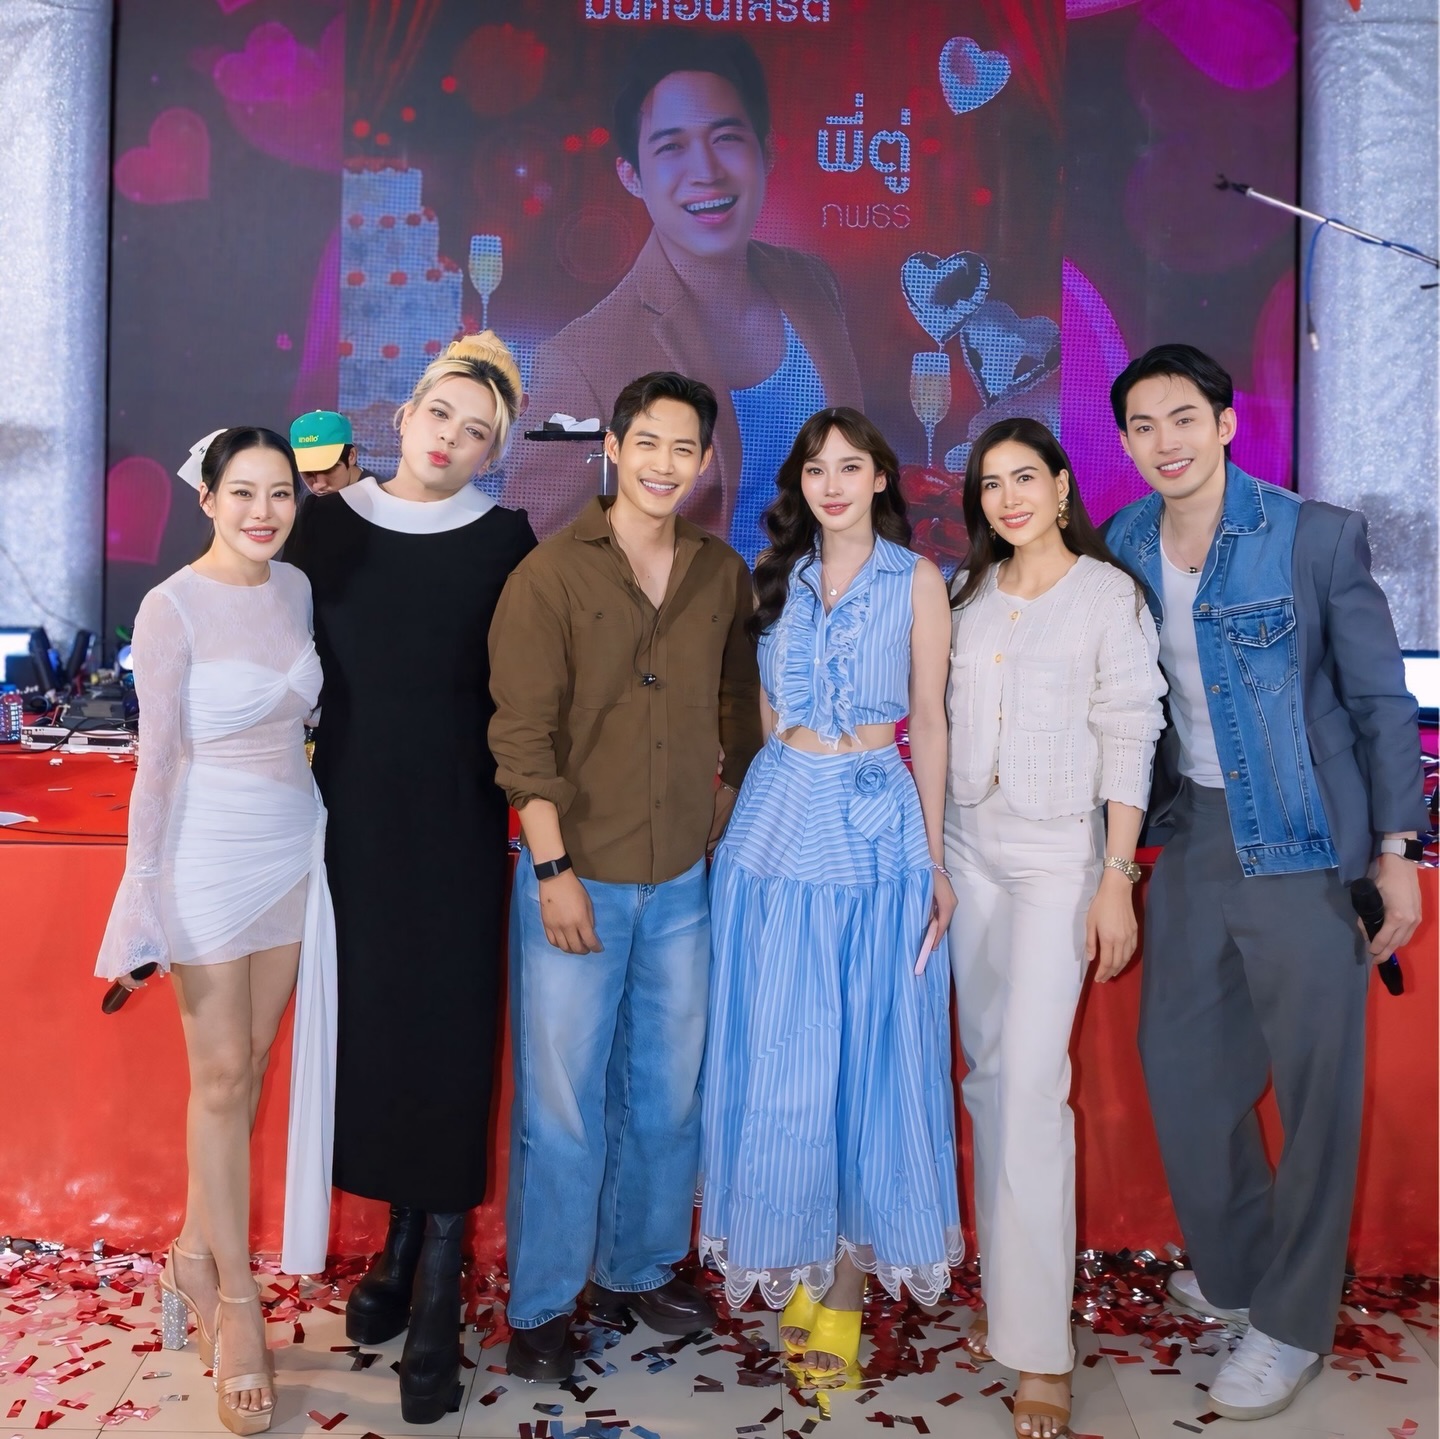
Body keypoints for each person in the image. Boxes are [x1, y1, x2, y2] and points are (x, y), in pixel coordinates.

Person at [1106, 344, 1425, 1422]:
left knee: (1316, 1088)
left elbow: (1380, 701)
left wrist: (1396, 852)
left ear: (1226, 422)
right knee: (1182, 1068)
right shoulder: (1124, 541)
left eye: (1184, 417)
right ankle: (1241, 1268)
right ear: (1125, 442)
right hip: (1195, 832)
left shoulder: (1312, 535)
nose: (1166, 441)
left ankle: (1291, 1321)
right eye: (1143, 424)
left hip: (1305, 840)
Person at [488, 371, 762, 1383]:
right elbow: (521, 738)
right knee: (561, 1110)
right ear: (612, 446)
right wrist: (552, 865)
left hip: (681, 879)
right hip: (578, 872)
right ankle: (542, 1305)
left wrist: (718, 809)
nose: (664, 464)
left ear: (705, 461)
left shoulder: (719, 572)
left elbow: (739, 704)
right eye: (647, 442)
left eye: (684, 448)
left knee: (667, 1096)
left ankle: (636, 1268)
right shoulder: (549, 575)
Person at [283, 334, 536, 1424]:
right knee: (376, 1037)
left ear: (493, 451)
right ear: (402, 414)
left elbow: (524, 690)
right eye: (440, 414)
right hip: (347, 827)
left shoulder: (507, 541)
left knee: (450, 1040)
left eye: (476, 431)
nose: (450, 439)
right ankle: (395, 1243)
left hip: (458, 828)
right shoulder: (324, 526)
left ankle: (439, 1283)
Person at [698, 406, 960, 1389]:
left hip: (876, 827)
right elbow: (766, 712)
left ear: (882, 477)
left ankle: (844, 1284)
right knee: (782, 1054)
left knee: (868, 1058)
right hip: (775, 825)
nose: (833, 484)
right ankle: (797, 1254)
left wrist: (935, 857)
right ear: (800, 485)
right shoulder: (777, 576)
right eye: (817, 469)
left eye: (852, 466)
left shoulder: (915, 579)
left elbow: (930, 718)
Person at [96, 427, 337, 1437]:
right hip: (205, 849)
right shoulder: (171, 605)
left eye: (280, 492)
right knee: (223, 1075)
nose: (263, 511)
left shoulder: (297, 589)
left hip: (291, 842)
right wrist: (142, 890)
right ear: (207, 497)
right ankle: (237, 1304)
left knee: (255, 1063)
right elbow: (156, 760)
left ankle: (192, 1255)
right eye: (243, 491)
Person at [943, 418, 1165, 1438]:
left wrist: (1116, 877)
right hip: (965, 852)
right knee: (988, 1077)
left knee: (1031, 1084)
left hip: (1054, 860)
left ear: (1064, 486)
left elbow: (1131, 733)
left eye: (1026, 476)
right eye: (992, 483)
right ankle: (1009, 1290)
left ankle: (1040, 1348)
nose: (1009, 497)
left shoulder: (1108, 596)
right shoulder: (967, 593)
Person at [503, 30, 863, 560]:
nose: (706, 172)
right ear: (632, 175)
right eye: (671, 147)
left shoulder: (811, 284)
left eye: (727, 138)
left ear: (766, 152)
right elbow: (541, 561)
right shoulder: (579, 359)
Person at [289, 410, 370, 497]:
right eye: (307, 472)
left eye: (327, 470)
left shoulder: (379, 496)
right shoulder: (304, 500)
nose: (317, 486)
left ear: (351, 456)